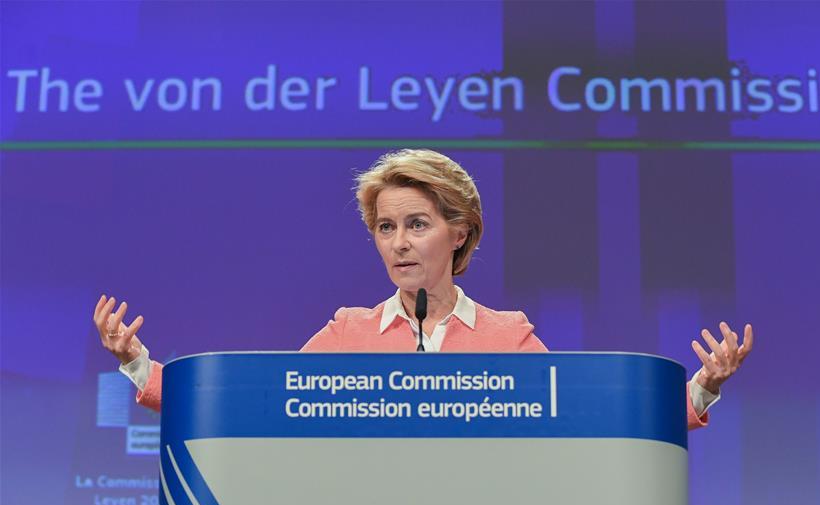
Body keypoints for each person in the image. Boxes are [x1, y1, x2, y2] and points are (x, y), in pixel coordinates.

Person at [93, 149, 753, 427]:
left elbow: (585, 422)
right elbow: (255, 408)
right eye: (385, 227)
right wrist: (137, 364)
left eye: (417, 224)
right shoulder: (347, 333)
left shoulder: (508, 335)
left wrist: (703, 388)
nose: (399, 242)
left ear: (459, 233)